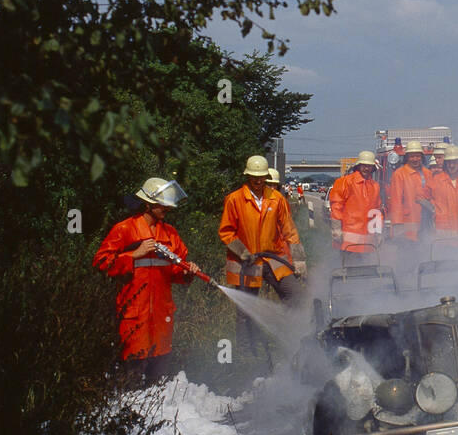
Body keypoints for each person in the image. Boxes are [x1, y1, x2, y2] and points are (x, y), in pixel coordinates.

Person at [93, 177, 202, 387]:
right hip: (134, 313)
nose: (167, 209)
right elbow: (101, 262)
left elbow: (177, 271)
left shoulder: (170, 234)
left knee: (158, 377)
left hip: (162, 315)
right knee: (131, 374)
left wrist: (188, 273)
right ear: (149, 203)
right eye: (163, 205)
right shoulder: (125, 229)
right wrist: (134, 255)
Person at [219, 155, 305, 367]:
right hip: (246, 261)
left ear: (267, 177)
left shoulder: (276, 199)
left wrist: (300, 260)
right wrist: (242, 252)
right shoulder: (235, 199)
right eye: (254, 177)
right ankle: (247, 354)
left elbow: (290, 232)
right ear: (247, 176)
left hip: (272, 257)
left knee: (296, 295)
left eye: (261, 178)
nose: (258, 181)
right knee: (246, 310)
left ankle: (294, 340)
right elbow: (226, 232)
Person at [330, 150, 382, 262]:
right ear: (358, 166)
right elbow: (336, 206)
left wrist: (378, 232)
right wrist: (336, 230)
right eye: (364, 165)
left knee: (366, 273)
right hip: (348, 241)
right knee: (349, 272)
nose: (366, 169)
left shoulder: (375, 186)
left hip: (368, 242)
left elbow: (376, 211)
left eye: (369, 166)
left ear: (373, 168)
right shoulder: (345, 182)